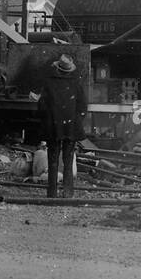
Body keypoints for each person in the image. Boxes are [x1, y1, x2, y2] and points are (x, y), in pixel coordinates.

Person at [36, 53, 88, 199]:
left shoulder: (49, 83)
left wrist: (47, 120)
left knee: (52, 160)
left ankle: (52, 193)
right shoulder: (76, 83)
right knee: (68, 160)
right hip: (70, 128)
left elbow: (41, 106)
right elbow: (83, 106)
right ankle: (68, 193)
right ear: (70, 70)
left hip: (53, 128)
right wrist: (75, 121)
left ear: (58, 68)